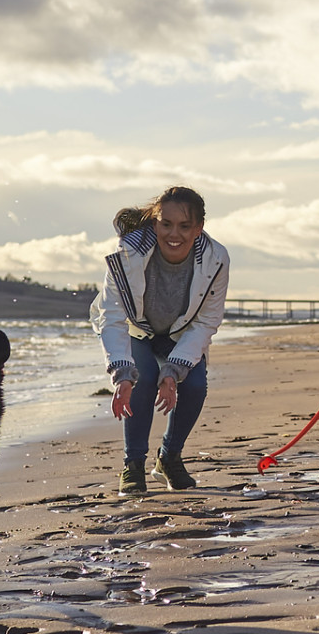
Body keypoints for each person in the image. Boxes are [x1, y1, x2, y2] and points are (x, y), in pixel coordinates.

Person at [90, 186, 231, 496]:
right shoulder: (127, 255)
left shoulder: (216, 259)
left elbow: (207, 321)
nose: (174, 234)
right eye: (166, 224)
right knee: (141, 379)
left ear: (198, 228)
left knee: (194, 386)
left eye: (184, 226)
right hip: (136, 330)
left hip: (181, 333)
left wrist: (174, 371)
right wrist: (121, 374)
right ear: (155, 223)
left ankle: (169, 458)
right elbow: (111, 318)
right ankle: (134, 465)